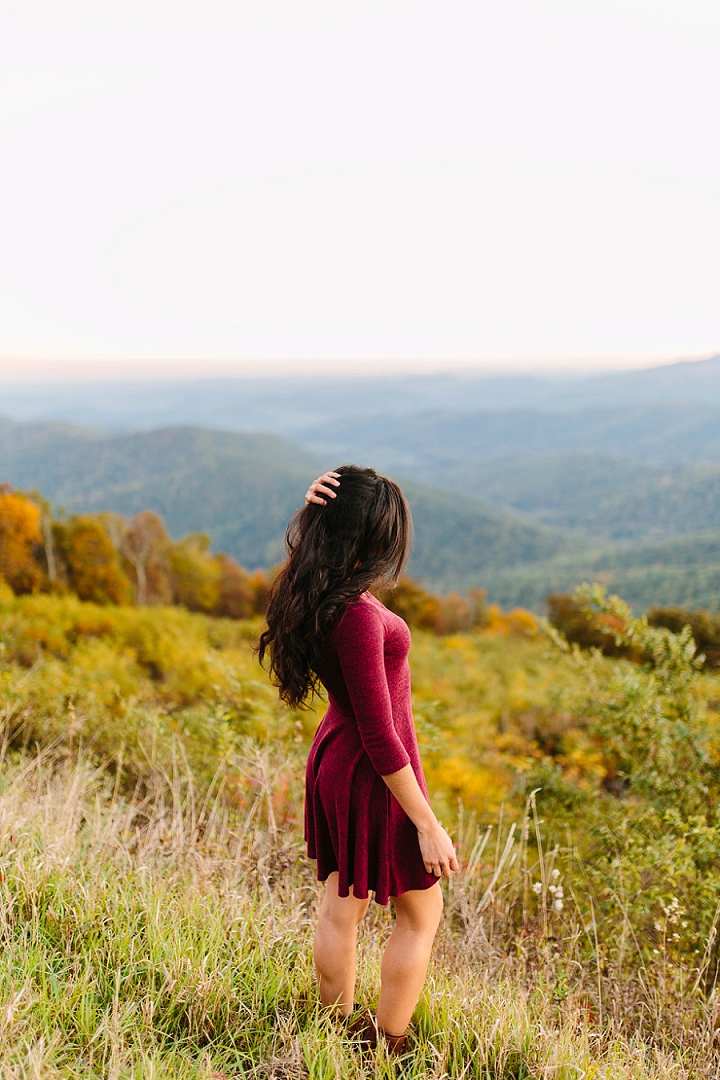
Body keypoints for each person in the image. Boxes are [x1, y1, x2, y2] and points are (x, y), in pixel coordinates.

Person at [258, 465, 457, 1057]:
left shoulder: (318, 585)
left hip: (338, 760)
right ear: (371, 541)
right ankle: (386, 1047)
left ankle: (332, 1031)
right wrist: (427, 823)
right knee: (421, 912)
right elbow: (381, 735)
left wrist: (316, 509)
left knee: (342, 902)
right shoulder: (360, 618)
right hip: (369, 770)